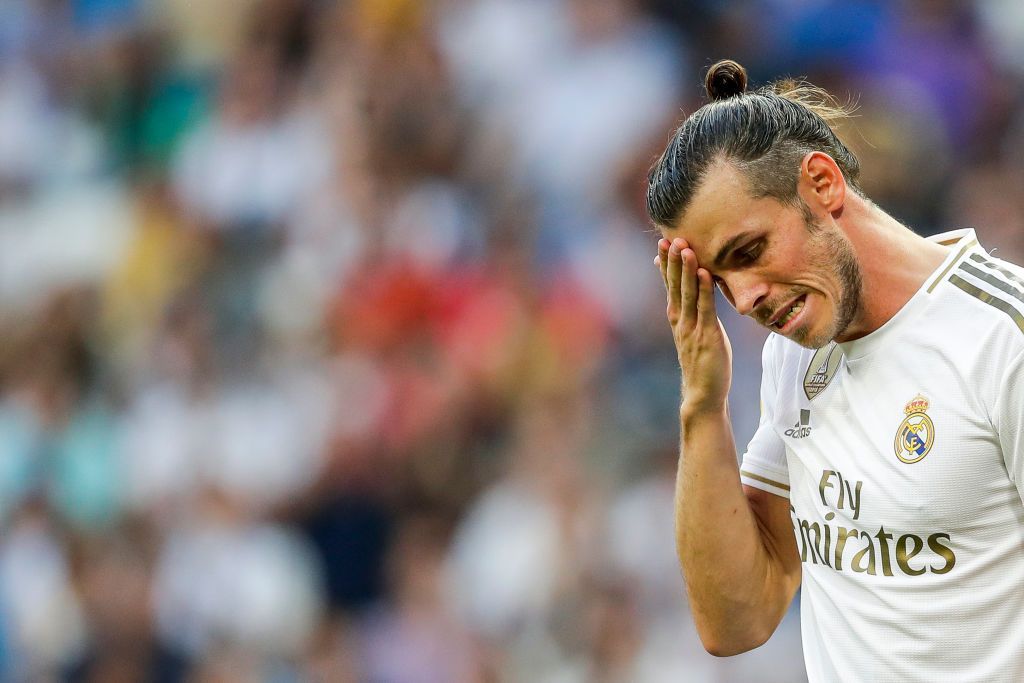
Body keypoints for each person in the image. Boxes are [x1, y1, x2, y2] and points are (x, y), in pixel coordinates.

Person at [647, 59, 1024, 682]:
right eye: (720, 281)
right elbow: (736, 620)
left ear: (821, 184)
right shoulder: (794, 354)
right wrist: (702, 406)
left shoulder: (1002, 340)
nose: (744, 300)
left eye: (750, 251)